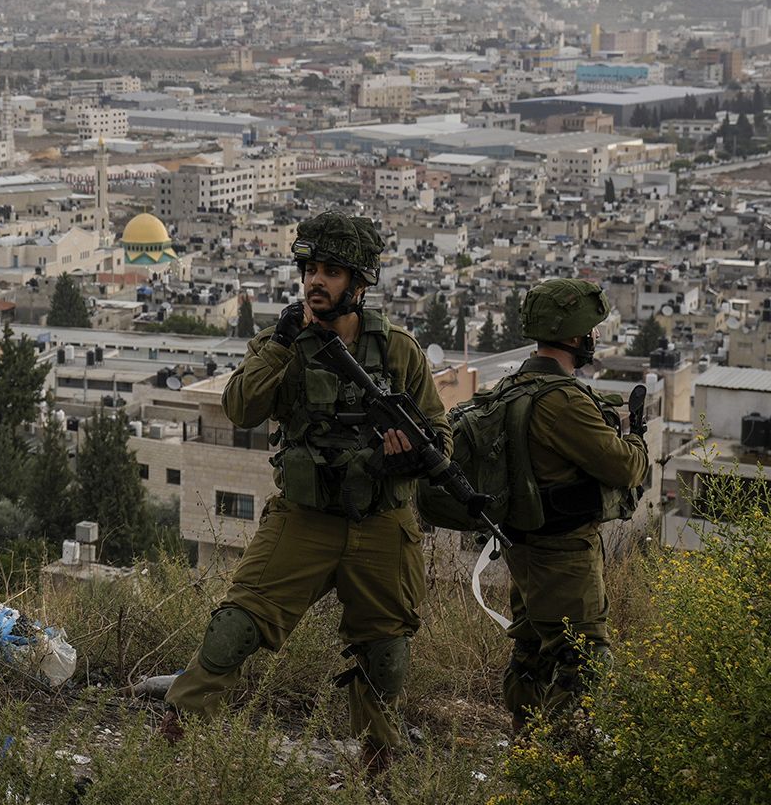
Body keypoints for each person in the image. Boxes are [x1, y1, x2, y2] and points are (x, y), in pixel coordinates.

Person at [161, 212, 447, 773]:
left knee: (385, 654)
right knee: (234, 629)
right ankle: (169, 750)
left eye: (332, 271)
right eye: (310, 268)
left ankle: (378, 769)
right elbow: (241, 407)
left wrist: (414, 451)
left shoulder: (399, 352)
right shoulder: (281, 342)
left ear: (359, 284)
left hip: (381, 522)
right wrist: (283, 344)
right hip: (303, 518)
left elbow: (441, 435)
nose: (316, 281)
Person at [497, 279, 647, 734]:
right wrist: (637, 439)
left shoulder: (514, 385)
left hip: (524, 545)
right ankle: (563, 761)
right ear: (575, 336)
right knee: (583, 658)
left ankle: (525, 742)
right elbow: (624, 467)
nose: (594, 339)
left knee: (531, 647)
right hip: (562, 552)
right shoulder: (562, 401)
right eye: (591, 331)